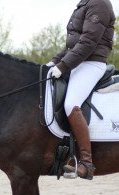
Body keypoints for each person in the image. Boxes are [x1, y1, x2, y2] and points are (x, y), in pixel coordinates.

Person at [47, 0, 116, 180]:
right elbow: (72, 46)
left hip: (92, 63)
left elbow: (88, 41)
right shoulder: (83, 4)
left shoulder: (100, 3)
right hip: (78, 62)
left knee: (71, 104)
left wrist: (62, 67)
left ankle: (86, 162)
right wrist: (53, 62)